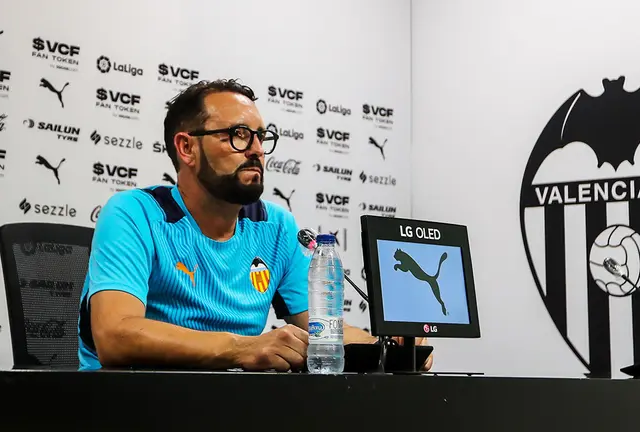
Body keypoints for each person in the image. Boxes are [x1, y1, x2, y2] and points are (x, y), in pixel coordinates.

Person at [77, 79, 433, 371]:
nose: (257, 150)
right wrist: (241, 349)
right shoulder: (133, 214)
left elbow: (322, 329)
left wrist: (386, 346)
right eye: (238, 134)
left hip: (233, 408)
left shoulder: (275, 226)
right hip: (131, 408)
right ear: (187, 148)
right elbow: (115, 337)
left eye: (261, 137)